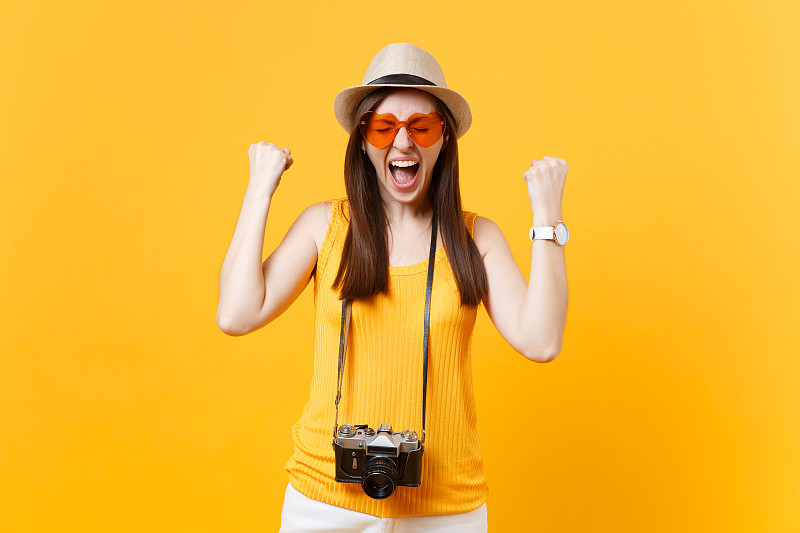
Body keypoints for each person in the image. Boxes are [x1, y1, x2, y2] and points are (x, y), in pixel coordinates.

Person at [216, 43, 569, 533]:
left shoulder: (475, 238)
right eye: (384, 127)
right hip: (326, 498)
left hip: (445, 507)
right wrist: (259, 191)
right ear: (362, 139)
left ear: (444, 138)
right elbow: (235, 315)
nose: (402, 143)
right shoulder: (326, 227)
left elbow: (542, 340)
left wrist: (547, 218)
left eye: (420, 127)